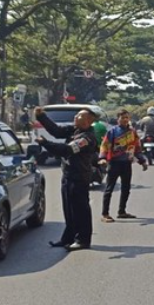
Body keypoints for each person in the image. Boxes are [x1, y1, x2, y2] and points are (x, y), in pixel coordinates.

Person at [34, 106, 97, 251]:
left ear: (88, 122)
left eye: (79, 116)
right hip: (68, 174)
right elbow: (57, 131)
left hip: (79, 177)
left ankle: (83, 240)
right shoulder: (75, 130)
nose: (75, 117)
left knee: (80, 210)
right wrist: (41, 117)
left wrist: (45, 143)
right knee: (69, 209)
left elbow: (66, 150)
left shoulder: (86, 138)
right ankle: (68, 238)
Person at [99, 109, 148, 222]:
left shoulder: (132, 132)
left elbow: (137, 148)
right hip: (114, 163)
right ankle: (105, 214)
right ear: (118, 119)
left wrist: (142, 161)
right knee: (109, 189)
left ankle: (122, 211)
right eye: (123, 118)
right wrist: (102, 158)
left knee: (126, 188)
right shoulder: (112, 132)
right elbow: (104, 146)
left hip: (127, 164)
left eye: (127, 118)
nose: (125, 120)